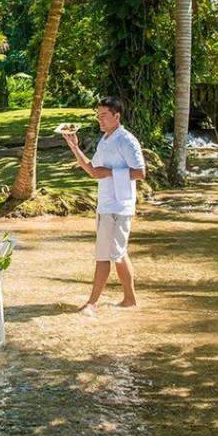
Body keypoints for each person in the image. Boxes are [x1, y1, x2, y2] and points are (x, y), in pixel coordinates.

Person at [63, 97, 146, 315]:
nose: (100, 120)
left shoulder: (127, 141)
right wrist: (74, 147)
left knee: (112, 255)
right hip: (106, 205)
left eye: (104, 115)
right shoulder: (105, 140)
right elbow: (92, 170)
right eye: (98, 115)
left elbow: (140, 173)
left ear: (116, 116)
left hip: (120, 206)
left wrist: (109, 173)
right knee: (114, 254)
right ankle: (129, 300)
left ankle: (93, 302)